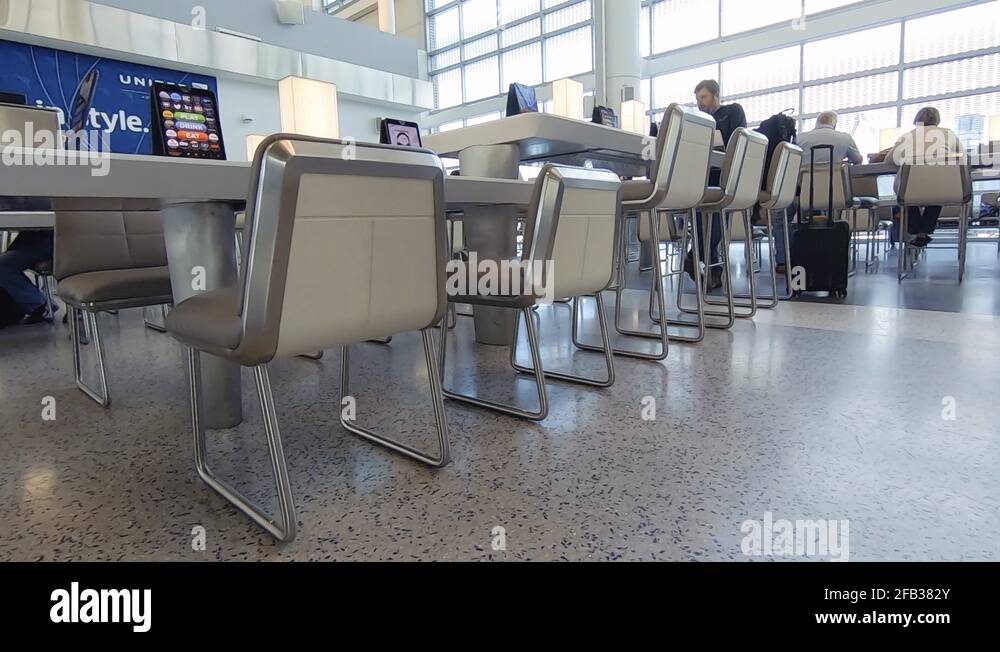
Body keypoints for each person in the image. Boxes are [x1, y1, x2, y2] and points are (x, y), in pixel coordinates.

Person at [774, 111, 864, 271]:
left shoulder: (800, 138)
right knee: (828, 211)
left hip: (804, 196)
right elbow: (858, 160)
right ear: (834, 124)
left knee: (782, 215)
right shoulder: (845, 138)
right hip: (835, 198)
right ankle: (833, 258)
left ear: (816, 123)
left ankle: (783, 261)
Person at [685, 80, 747, 289]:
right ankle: (712, 270)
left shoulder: (732, 112)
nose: (700, 103)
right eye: (697, 99)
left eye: (703, 97)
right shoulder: (701, 120)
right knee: (706, 220)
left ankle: (695, 258)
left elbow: (739, 140)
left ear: (715, 94)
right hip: (705, 176)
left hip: (725, 176)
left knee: (712, 220)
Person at [876, 107, 963, 248]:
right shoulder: (949, 134)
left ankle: (915, 230)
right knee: (937, 195)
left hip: (910, 187)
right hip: (942, 186)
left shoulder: (907, 137)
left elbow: (888, 160)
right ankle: (924, 231)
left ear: (917, 119)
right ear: (937, 120)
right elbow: (962, 156)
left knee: (909, 196)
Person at [0, 230, 54, 325]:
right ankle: (39, 302)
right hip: (32, 240)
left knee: (2, 266)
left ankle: (39, 303)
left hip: (46, 241)